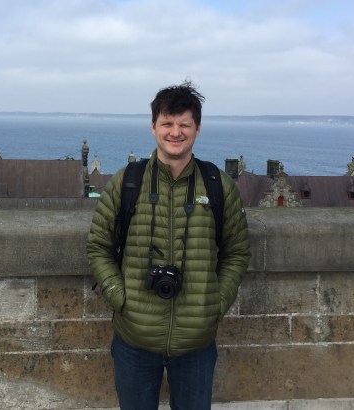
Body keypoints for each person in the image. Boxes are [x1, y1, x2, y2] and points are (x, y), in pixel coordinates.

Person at [86, 81, 251, 410]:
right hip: (134, 338)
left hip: (196, 344)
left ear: (197, 129)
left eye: (184, 124)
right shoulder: (127, 182)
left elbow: (237, 252)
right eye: (167, 123)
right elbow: (98, 247)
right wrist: (121, 298)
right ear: (153, 127)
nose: (175, 132)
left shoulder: (219, 186)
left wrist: (215, 302)